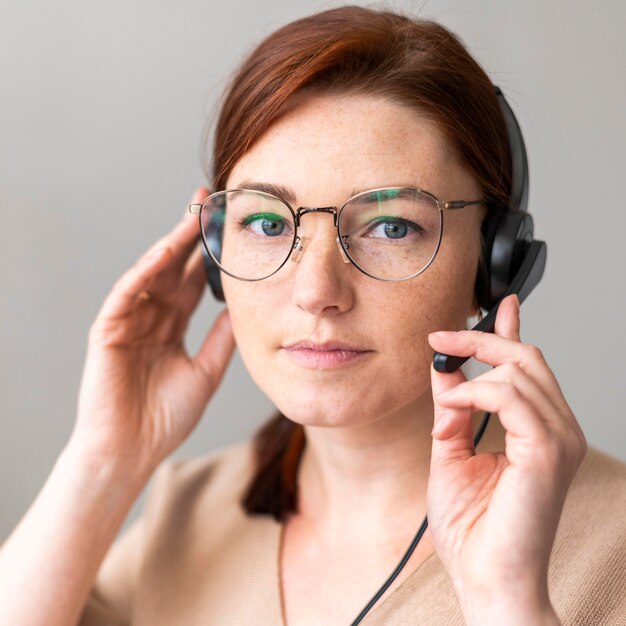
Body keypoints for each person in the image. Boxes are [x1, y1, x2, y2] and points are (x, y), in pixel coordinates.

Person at [1, 6, 624, 626]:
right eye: (267, 223)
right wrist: (104, 462)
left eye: (391, 225)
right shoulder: (185, 513)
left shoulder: (611, 548)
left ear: (496, 261)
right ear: (217, 253)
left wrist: (506, 601)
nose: (315, 290)